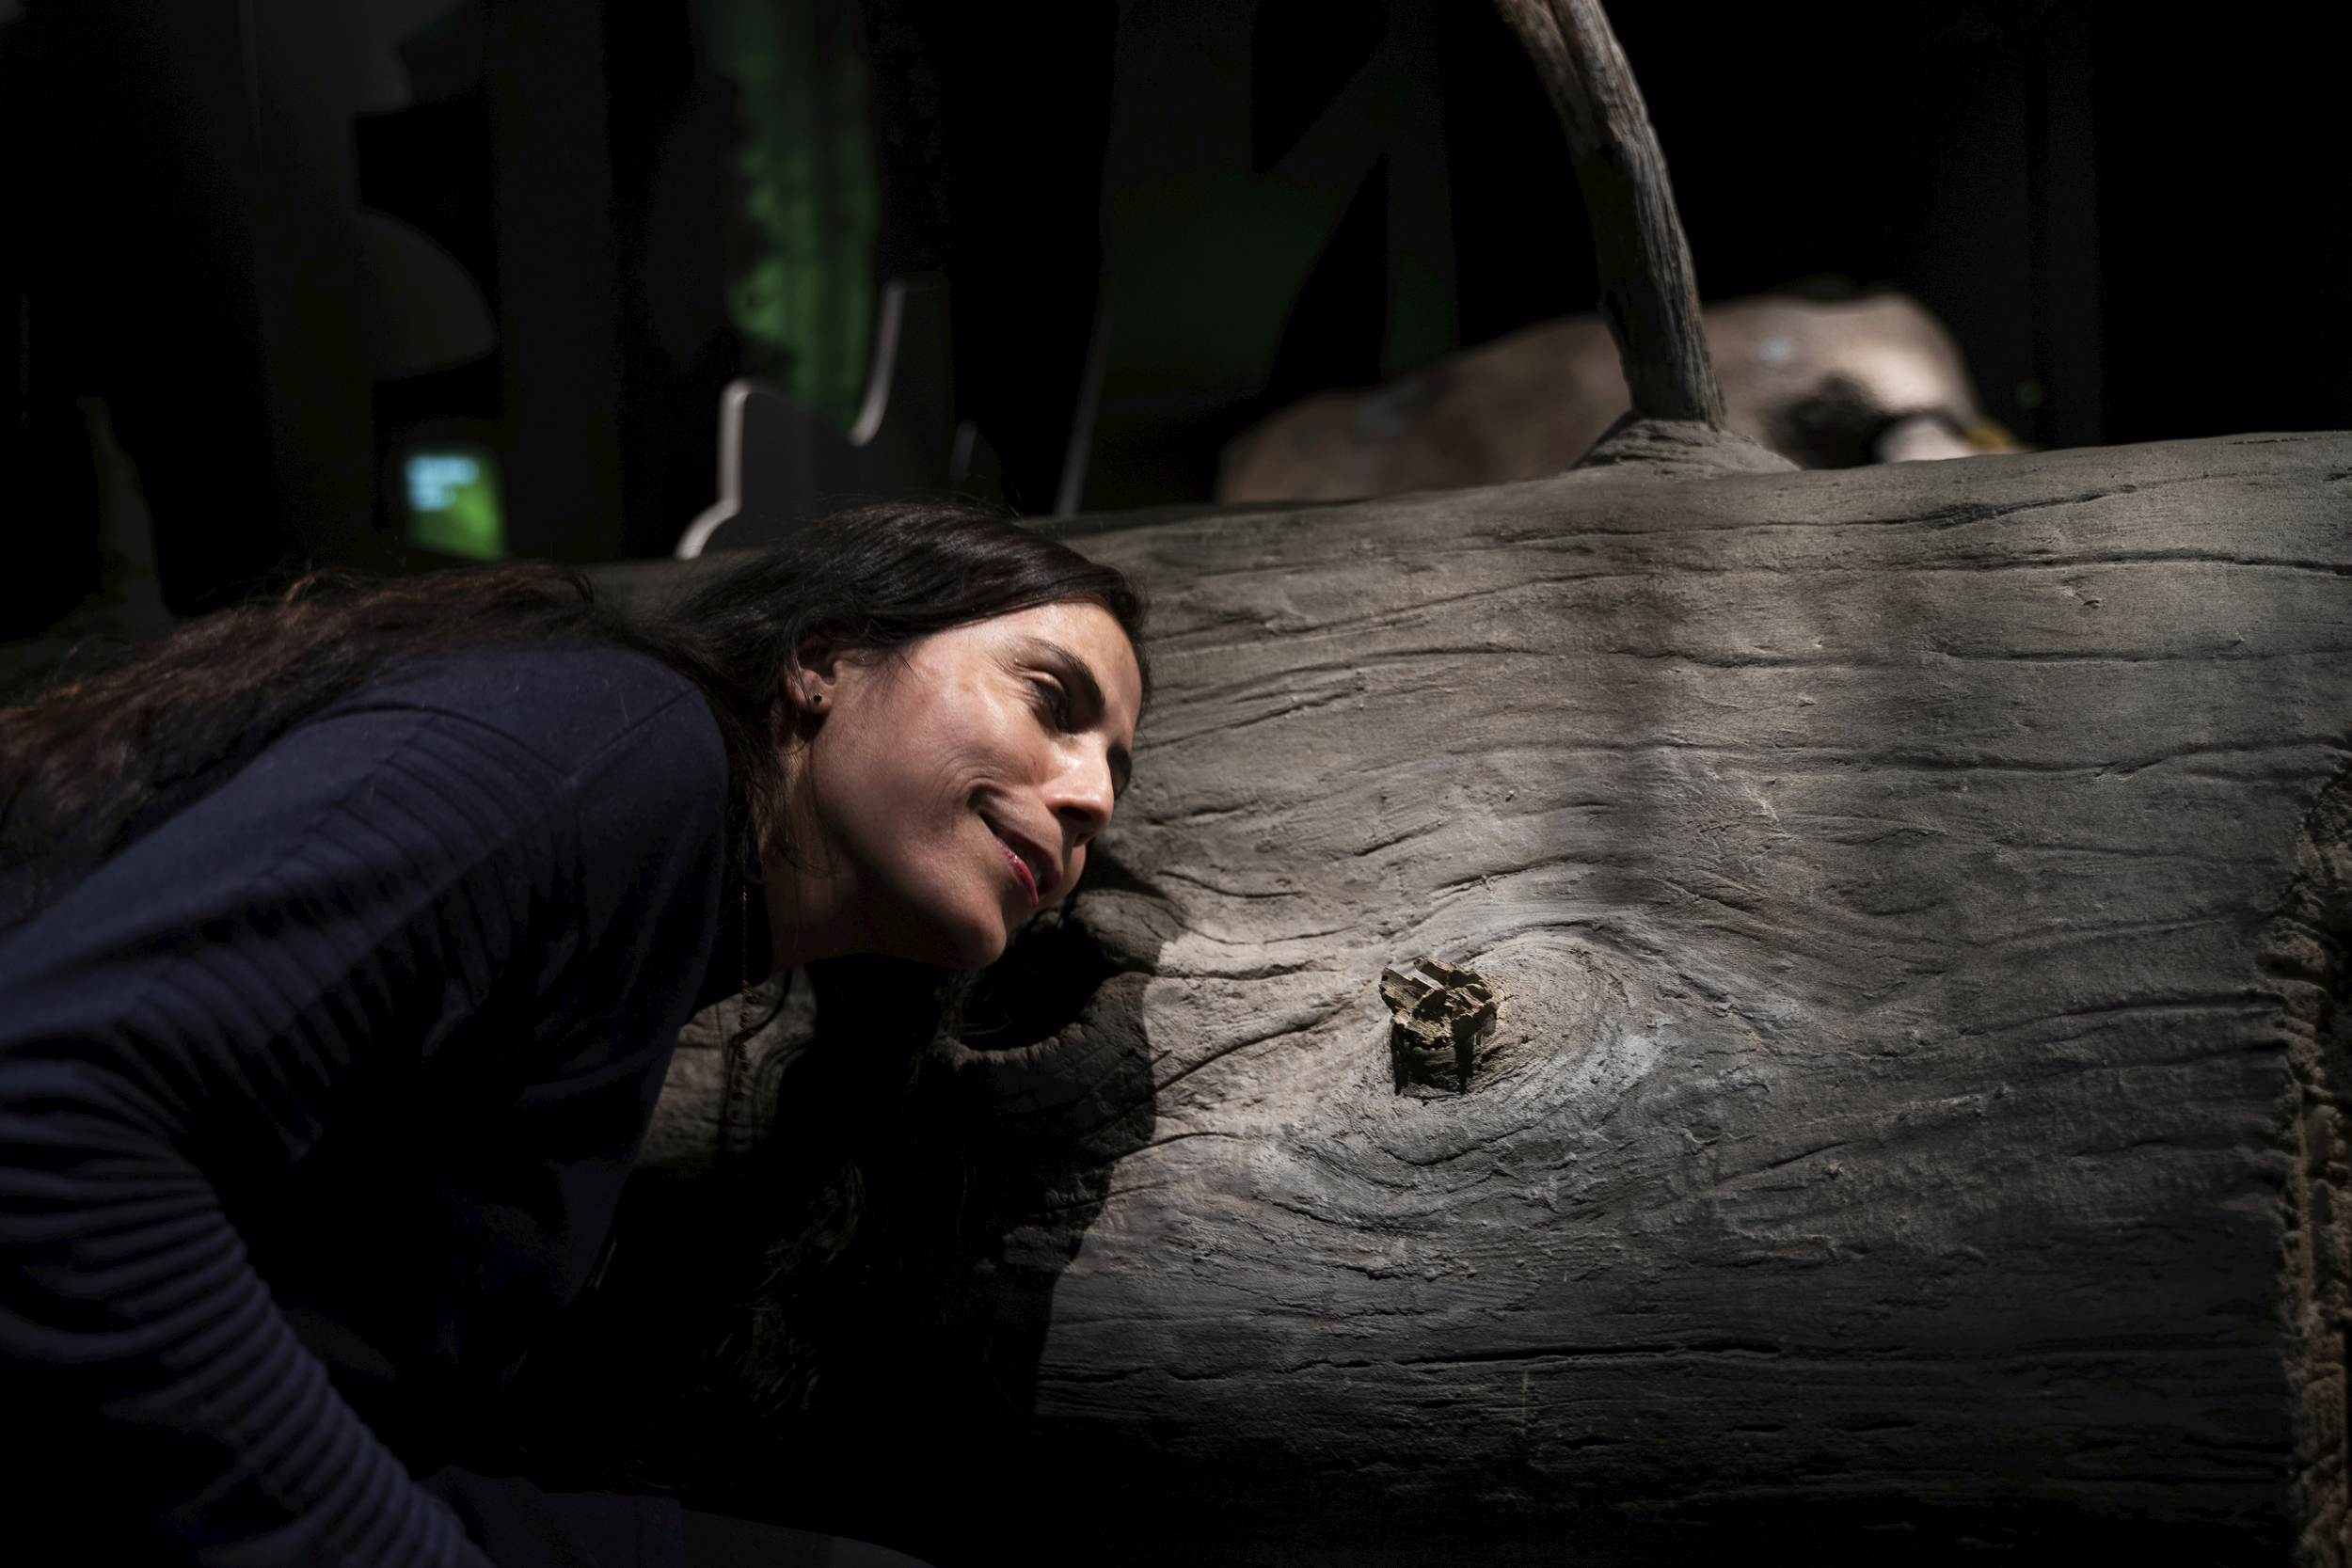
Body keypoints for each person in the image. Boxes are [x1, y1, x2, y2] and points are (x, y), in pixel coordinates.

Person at [0, 503, 1149, 1566]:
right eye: (1052, 699)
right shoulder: (615, 745)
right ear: (824, 659)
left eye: (1115, 769)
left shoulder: (671, 907)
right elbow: (55, 1127)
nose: (1092, 794)